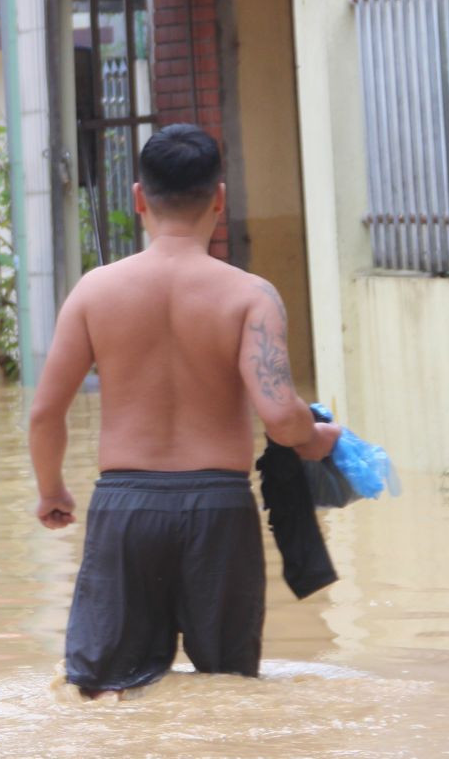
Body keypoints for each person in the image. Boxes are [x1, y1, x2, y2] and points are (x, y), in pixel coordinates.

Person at [27, 124, 339, 699]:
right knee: (228, 693)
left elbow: (46, 414)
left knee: (99, 693)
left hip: (125, 509)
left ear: (139, 198)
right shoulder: (251, 295)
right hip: (218, 510)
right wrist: (318, 437)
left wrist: (52, 490)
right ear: (219, 198)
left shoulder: (94, 292)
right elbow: (279, 414)